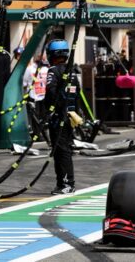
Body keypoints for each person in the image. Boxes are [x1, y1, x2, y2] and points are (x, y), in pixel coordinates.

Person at [44, 39, 83, 195]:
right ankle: (64, 183)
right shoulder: (72, 71)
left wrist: (50, 111)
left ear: (51, 54)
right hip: (70, 115)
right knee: (64, 150)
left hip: (59, 117)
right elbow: (77, 94)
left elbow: (51, 92)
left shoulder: (53, 71)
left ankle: (66, 184)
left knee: (61, 152)